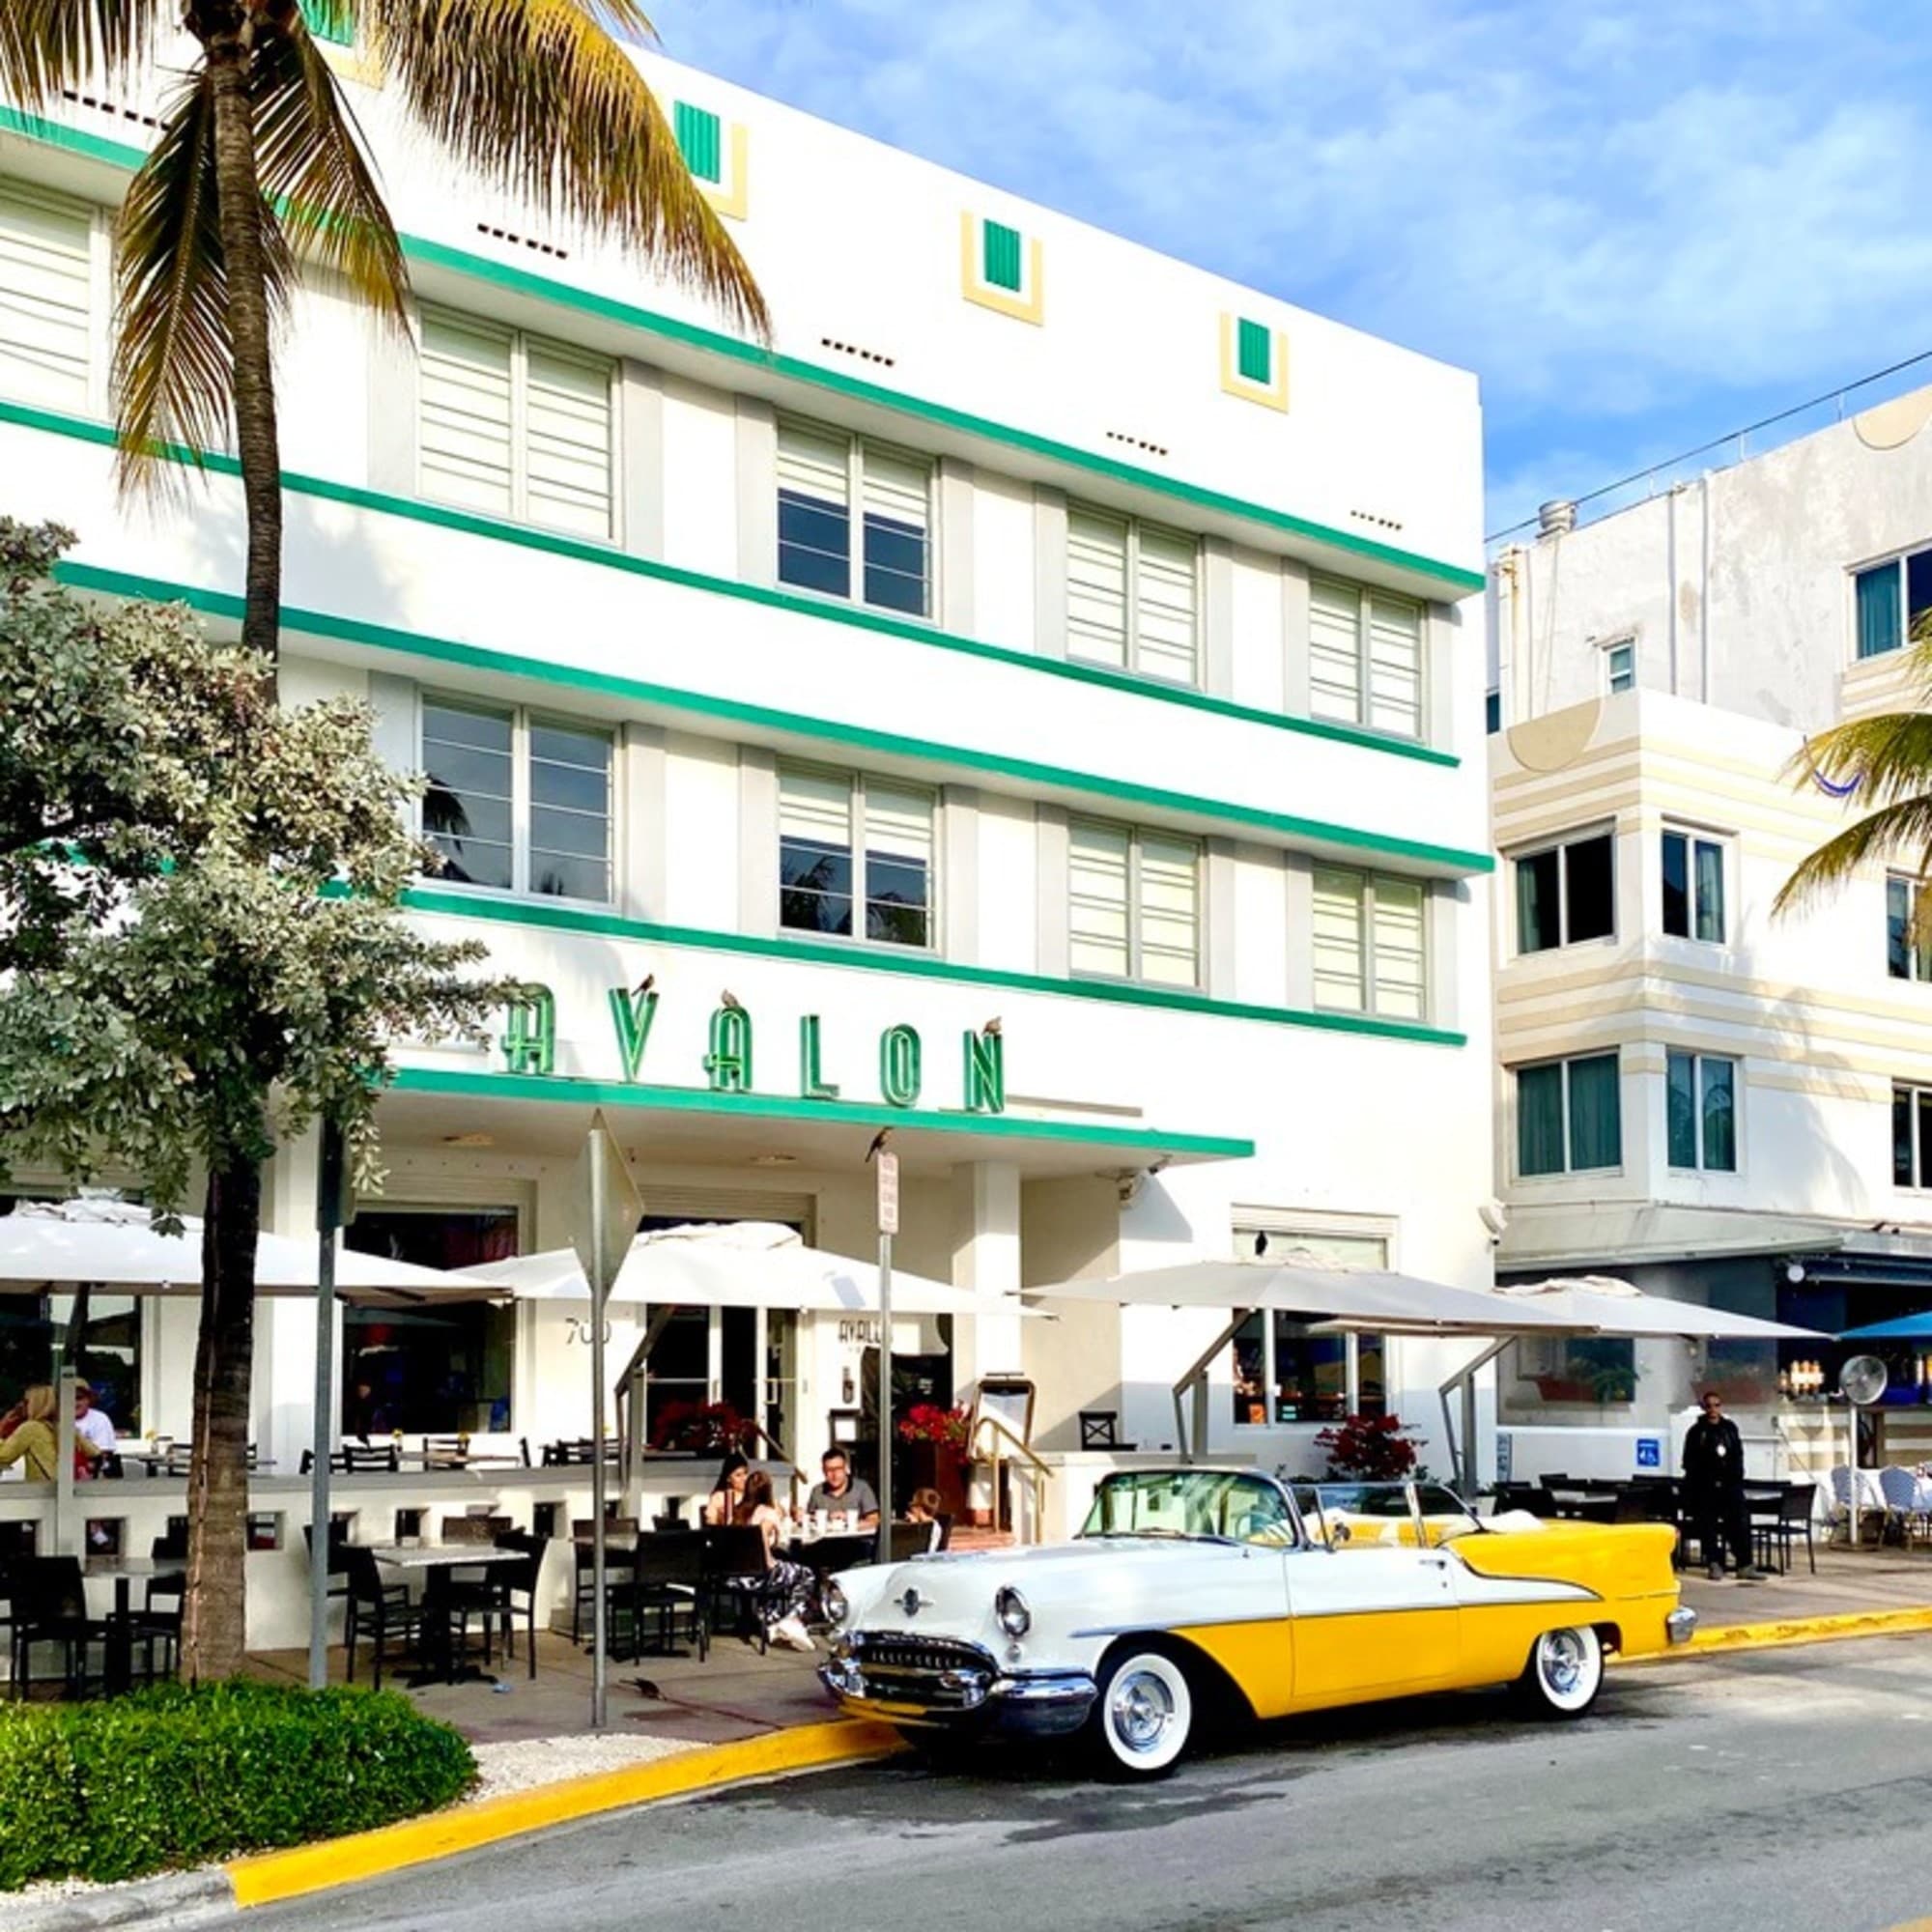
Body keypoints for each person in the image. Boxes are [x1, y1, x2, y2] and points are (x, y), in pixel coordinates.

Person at [1682, 1390, 1766, 1580]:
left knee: (1740, 1523)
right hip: (1707, 1488)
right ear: (1704, 1408)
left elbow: (1737, 1454)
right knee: (1708, 1526)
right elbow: (1689, 1461)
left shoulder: (1729, 1428)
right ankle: (1714, 1563)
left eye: (1716, 1405)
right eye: (1709, 1406)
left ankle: (1744, 1564)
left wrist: (1736, 1477)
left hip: (1730, 1486)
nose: (1713, 1410)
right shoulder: (1697, 1432)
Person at [732, 1470, 815, 1652]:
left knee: (782, 1573)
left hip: (738, 1574)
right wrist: (769, 1563)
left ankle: (771, 1621)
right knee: (806, 1574)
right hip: (759, 1572)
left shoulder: (739, 1511)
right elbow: (761, 1537)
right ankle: (793, 1619)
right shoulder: (768, 1513)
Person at [0, 1385, 99, 1483]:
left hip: (42, 1491)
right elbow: (95, 1452)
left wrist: (3, 1427)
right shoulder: (64, 1426)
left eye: (26, 1402)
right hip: (72, 1488)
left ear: (36, 1403)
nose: (21, 1406)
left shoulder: (30, 1428)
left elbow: (3, 1456)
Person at [806, 1448, 879, 1526]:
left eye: (838, 1469)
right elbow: (811, 1520)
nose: (834, 1474)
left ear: (846, 1468)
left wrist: (849, 1520)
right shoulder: (818, 1491)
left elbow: (874, 1520)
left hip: (856, 1537)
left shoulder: (862, 1489)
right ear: (823, 1471)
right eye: (829, 1470)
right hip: (827, 1537)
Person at [703, 1451, 751, 1526]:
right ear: (728, 1478)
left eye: (745, 1473)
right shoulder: (720, 1497)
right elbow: (711, 1522)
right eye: (738, 1475)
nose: (744, 1478)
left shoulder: (754, 1493)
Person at [72, 1381, 117, 1456]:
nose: (74, 1403)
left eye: (79, 1398)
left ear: (88, 1399)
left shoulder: (100, 1419)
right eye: (69, 1398)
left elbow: (103, 1453)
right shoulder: (55, 1420)